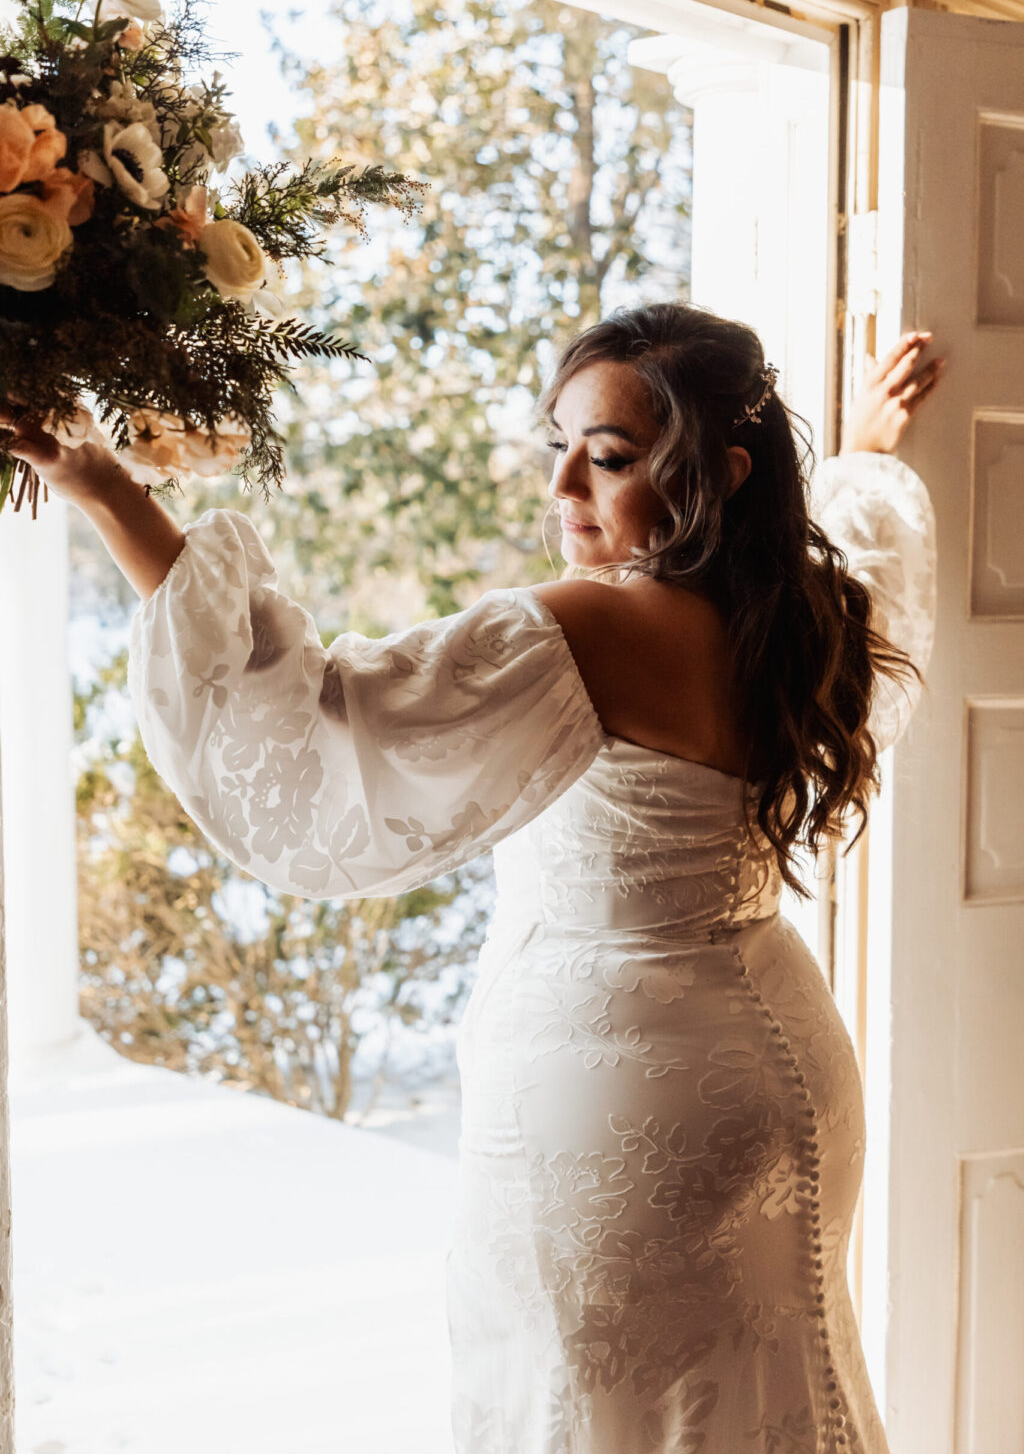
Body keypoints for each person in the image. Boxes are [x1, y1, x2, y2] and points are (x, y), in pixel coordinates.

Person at [0, 302, 941, 1453]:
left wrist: (107, 490)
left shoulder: (594, 628)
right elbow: (863, 550)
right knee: (783, 1368)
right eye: (558, 447)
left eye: (607, 460)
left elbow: (309, 718)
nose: (564, 490)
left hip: (622, 1105)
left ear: (719, 476)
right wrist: (863, 454)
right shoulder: (803, 611)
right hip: (783, 1067)